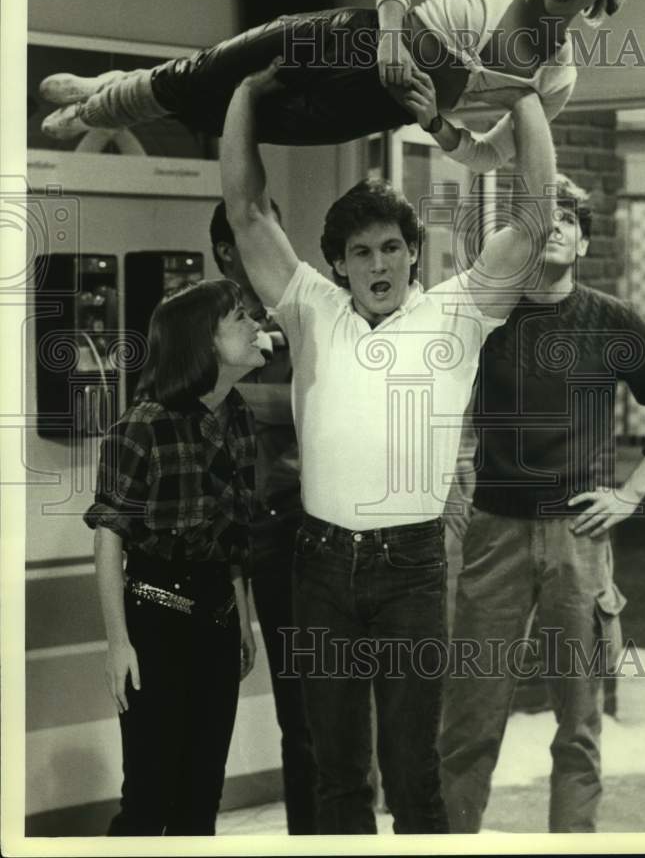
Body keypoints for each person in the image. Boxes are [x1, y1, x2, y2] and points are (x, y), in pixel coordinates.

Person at [217, 57, 558, 833]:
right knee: (335, 777)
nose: (380, 264)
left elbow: (534, 222)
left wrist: (525, 99)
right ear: (338, 262)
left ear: (413, 253)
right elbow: (244, 210)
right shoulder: (309, 307)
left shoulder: (458, 311)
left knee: (413, 780)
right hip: (322, 567)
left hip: (409, 568)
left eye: (393, 249)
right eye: (362, 252)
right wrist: (244, 94)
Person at [439, 174, 645, 833]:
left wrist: (631, 495)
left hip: (578, 540)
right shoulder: (485, 316)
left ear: (583, 242)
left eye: (569, 221)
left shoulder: (612, 320)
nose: (555, 227)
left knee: (578, 723)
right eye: (541, 218)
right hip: (493, 536)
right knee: (470, 719)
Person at [40, 0, 637, 172]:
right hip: (357, 37)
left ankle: (110, 95)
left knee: (234, 117)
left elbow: (489, 156)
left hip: (378, 106)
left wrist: (435, 124)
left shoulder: (556, 77)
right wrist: (391, 39)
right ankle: (102, 101)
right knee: (215, 70)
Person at [84, 279, 273, 835]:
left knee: (199, 803)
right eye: (241, 318)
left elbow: (234, 536)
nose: (256, 325)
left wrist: (242, 617)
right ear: (204, 342)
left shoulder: (238, 417)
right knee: (148, 802)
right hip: (155, 626)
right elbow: (108, 535)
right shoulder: (141, 426)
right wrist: (118, 643)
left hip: (216, 619)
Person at [209, 200, 318, 834]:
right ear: (229, 249)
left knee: (306, 712)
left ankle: (315, 840)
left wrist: (240, 391)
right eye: (258, 230)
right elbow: (182, 399)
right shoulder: (203, 317)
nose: (276, 240)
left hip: (299, 531)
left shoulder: (303, 310)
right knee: (201, 713)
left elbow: (328, 402)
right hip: (217, 539)